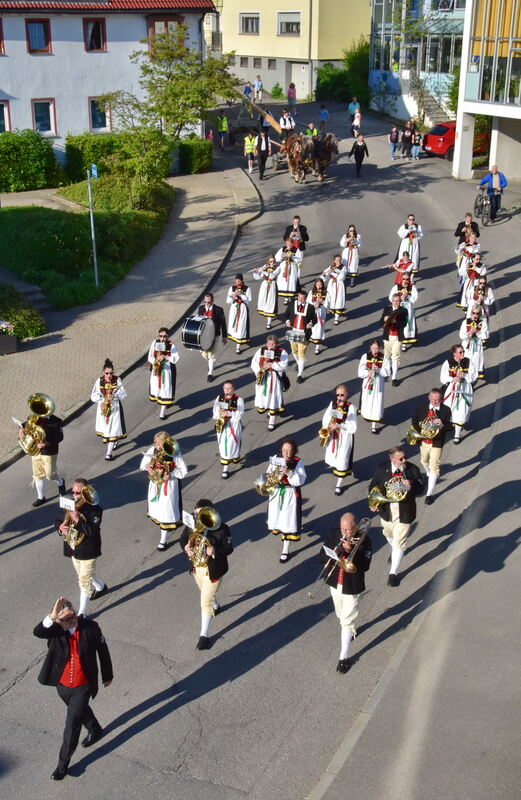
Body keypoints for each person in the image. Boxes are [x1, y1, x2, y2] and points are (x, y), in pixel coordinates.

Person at [33, 596, 113, 781]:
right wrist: (52, 616)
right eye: (68, 619)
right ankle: (95, 729)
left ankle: (62, 765)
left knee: (72, 725)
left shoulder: (91, 627)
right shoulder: (54, 630)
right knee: (79, 711)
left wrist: (107, 675)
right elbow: (37, 632)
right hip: (62, 685)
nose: (73, 620)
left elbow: (103, 651)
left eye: (74, 616)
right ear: (59, 621)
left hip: (83, 685)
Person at [319, 513, 372, 673]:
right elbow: (321, 556)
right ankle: (350, 631)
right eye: (343, 529)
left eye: (348, 530)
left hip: (352, 586)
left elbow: (365, 565)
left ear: (355, 528)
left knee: (346, 621)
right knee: (341, 616)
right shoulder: (334, 534)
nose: (345, 533)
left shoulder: (365, 541)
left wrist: (351, 554)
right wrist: (338, 549)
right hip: (336, 583)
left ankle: (344, 656)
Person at [180, 499, 233, 650]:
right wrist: (186, 548)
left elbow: (229, 548)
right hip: (197, 568)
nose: (196, 517)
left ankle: (204, 635)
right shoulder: (192, 525)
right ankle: (215, 604)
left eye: (200, 514)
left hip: (213, 570)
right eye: (196, 513)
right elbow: (183, 539)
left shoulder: (222, 529)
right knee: (205, 593)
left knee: (205, 602)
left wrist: (215, 551)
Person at [368, 446, 423, 585]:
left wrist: (411, 484)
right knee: (388, 534)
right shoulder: (382, 469)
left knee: (399, 542)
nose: (405, 460)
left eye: (404, 457)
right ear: (392, 459)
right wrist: (373, 502)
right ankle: (395, 551)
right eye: (401, 458)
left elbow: (421, 488)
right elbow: (373, 486)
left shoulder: (412, 469)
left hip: (405, 510)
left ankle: (393, 573)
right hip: (387, 509)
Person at [56, 479, 108, 617]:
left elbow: (92, 531)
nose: (75, 495)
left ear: (85, 492)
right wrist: (60, 528)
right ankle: (101, 587)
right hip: (73, 548)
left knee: (84, 581)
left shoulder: (95, 510)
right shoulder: (69, 504)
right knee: (83, 575)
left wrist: (79, 520)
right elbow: (58, 520)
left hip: (88, 550)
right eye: (73, 492)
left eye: (78, 493)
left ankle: (82, 613)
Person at [140, 431, 187, 550]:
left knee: (166, 510)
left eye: (158, 442)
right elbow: (143, 464)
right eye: (156, 442)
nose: (155, 444)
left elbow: (183, 471)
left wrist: (171, 473)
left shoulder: (174, 453)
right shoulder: (153, 450)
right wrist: (148, 468)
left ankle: (163, 540)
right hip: (155, 484)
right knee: (158, 508)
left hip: (169, 486)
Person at [265, 438, 306, 562]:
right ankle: (280, 529)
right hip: (277, 492)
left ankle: (285, 549)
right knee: (278, 517)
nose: (286, 454)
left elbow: (300, 481)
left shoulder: (297, 462)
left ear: (293, 451)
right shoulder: (276, 459)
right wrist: (274, 474)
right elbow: (268, 474)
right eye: (284, 450)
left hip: (290, 494)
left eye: (288, 451)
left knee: (288, 520)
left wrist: (289, 473)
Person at [410, 388, 452, 503]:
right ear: (429, 397)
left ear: (441, 400)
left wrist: (442, 424)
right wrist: (419, 430)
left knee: (434, 467)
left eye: (437, 400)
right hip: (424, 441)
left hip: (437, 442)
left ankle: (429, 494)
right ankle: (428, 473)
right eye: (433, 399)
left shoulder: (446, 410)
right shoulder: (421, 407)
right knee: (424, 461)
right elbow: (414, 421)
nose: (434, 402)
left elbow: (450, 427)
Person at [321, 384, 357, 495]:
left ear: (346, 394)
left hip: (344, 437)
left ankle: (338, 484)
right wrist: (328, 425)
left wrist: (340, 426)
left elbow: (353, 427)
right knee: (333, 458)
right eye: (338, 395)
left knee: (342, 459)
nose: (339, 397)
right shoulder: (332, 404)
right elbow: (325, 418)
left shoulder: (351, 408)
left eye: (342, 395)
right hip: (333, 435)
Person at [90, 358, 127, 460]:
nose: (109, 375)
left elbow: (123, 394)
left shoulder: (117, 380)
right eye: (107, 373)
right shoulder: (99, 381)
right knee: (106, 430)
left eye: (111, 373)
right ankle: (114, 441)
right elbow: (93, 395)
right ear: (103, 372)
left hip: (115, 408)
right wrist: (100, 402)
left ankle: (108, 453)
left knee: (113, 430)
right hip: (103, 408)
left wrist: (114, 395)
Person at [440, 344, 477, 444]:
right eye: (460, 352)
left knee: (461, 410)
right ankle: (448, 425)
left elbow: (473, 376)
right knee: (448, 408)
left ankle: (457, 434)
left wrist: (464, 375)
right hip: (451, 388)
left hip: (465, 389)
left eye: (463, 351)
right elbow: (443, 377)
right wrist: (453, 378)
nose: (463, 353)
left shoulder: (468, 361)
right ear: (454, 353)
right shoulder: (448, 363)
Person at [251, 334, 289, 430]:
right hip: (263, 377)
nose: (270, 346)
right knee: (263, 397)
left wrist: (272, 365)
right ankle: (267, 410)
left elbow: (284, 365)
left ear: (276, 344)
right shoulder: (261, 350)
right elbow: (254, 363)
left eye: (273, 344)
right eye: (269, 343)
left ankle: (271, 421)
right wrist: (259, 371)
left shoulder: (282, 352)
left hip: (274, 378)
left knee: (273, 398)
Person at [358, 339, 391, 434]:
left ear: (380, 348)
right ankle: (366, 414)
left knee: (376, 402)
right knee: (367, 400)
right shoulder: (365, 356)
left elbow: (387, 372)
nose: (375, 351)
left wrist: (378, 369)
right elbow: (360, 372)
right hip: (368, 383)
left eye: (376, 349)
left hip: (378, 384)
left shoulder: (384, 357)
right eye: (373, 348)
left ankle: (374, 425)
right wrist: (367, 372)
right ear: (370, 348)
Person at [213, 380, 244, 479]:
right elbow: (215, 409)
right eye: (226, 388)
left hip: (233, 425)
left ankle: (225, 469)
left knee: (231, 444)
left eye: (230, 388)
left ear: (233, 389)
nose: (227, 391)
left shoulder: (239, 399)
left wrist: (229, 413)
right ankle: (226, 465)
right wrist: (220, 415)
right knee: (223, 445)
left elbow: (239, 414)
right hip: (222, 425)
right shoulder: (219, 398)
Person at [285, 289, 317, 383]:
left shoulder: (310, 307)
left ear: (305, 298)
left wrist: (311, 323)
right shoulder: (292, 305)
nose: (300, 300)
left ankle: (300, 374)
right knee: (294, 351)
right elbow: (286, 315)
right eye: (299, 297)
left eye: (302, 298)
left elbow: (314, 319)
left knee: (301, 353)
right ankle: (299, 363)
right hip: (294, 331)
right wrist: (287, 321)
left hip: (304, 332)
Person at [148, 327, 179, 419]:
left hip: (166, 370)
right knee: (156, 387)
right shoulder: (155, 342)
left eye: (164, 336)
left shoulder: (171, 345)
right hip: (156, 369)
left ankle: (162, 411)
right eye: (160, 336)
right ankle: (160, 400)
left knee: (165, 389)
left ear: (167, 336)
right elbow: (149, 356)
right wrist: (155, 362)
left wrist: (165, 357)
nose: (162, 338)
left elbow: (176, 358)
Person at [197, 292, 228, 382]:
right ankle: (211, 362)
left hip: (215, 335)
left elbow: (223, 323)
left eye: (209, 302)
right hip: (203, 336)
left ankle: (210, 373)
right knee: (204, 354)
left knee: (212, 355)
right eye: (205, 302)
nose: (206, 304)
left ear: (212, 301)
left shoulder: (219, 310)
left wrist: (224, 336)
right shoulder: (201, 308)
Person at [380, 293, 408, 386]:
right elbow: (380, 323)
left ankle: (394, 377)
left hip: (397, 337)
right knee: (387, 356)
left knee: (395, 357)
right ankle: (386, 372)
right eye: (394, 301)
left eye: (398, 301)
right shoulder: (386, 309)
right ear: (391, 301)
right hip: (387, 336)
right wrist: (384, 319)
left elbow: (404, 324)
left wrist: (396, 322)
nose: (396, 303)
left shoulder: (403, 311)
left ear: (400, 301)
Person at [389, 272, 418, 350]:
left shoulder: (412, 287)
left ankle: (404, 344)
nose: (405, 281)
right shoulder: (397, 287)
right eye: (404, 279)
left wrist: (408, 296)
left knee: (406, 327)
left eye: (407, 279)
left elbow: (414, 299)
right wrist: (399, 298)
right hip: (398, 310)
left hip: (408, 310)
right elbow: (390, 297)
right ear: (401, 279)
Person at [460, 306, 488, 380]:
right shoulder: (465, 322)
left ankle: (474, 377)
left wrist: (477, 331)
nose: (475, 315)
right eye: (473, 313)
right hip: (466, 346)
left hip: (477, 347)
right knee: (465, 363)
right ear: (471, 313)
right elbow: (461, 335)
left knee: (475, 363)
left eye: (477, 313)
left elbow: (486, 335)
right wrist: (468, 334)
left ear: (479, 314)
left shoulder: (482, 323)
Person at [252, 255, 280, 328]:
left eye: (273, 261)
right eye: (270, 261)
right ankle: (265, 313)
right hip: (264, 285)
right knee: (264, 302)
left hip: (272, 285)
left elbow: (272, 276)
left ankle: (269, 323)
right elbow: (258, 277)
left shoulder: (278, 268)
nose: (272, 263)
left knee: (270, 303)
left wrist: (264, 271)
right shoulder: (265, 266)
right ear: (268, 261)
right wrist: (256, 272)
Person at [226, 273, 251, 354]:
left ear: (242, 280)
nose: (237, 282)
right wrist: (233, 295)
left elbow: (248, 300)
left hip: (242, 308)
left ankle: (238, 346)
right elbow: (228, 301)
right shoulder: (232, 288)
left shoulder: (247, 288)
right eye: (236, 280)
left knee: (240, 325)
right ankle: (235, 336)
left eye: (239, 280)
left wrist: (241, 294)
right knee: (233, 324)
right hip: (234, 308)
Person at [275, 237, 303, 305]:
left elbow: (299, 259)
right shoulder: (283, 248)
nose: (289, 245)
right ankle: (286, 298)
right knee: (285, 282)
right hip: (284, 266)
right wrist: (282, 255)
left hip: (292, 266)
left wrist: (291, 256)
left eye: (290, 244)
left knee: (291, 281)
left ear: (292, 244)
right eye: (287, 244)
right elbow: (276, 258)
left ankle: (292, 295)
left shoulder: (296, 249)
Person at [322, 254, 347, 325]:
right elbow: (325, 276)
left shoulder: (343, 267)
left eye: (339, 260)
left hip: (339, 285)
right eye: (337, 260)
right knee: (329, 299)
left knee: (338, 300)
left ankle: (336, 318)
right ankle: (324, 315)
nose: (338, 261)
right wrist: (327, 274)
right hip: (331, 285)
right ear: (334, 260)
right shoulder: (331, 266)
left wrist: (334, 272)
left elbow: (342, 276)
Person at [307, 278, 328, 354]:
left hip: (321, 311)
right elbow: (308, 301)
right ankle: (311, 337)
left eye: (320, 284)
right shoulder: (312, 292)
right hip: (313, 310)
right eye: (317, 284)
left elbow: (328, 303)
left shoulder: (325, 293)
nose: (319, 286)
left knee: (319, 326)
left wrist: (321, 301)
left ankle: (317, 346)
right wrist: (314, 303)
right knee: (312, 325)